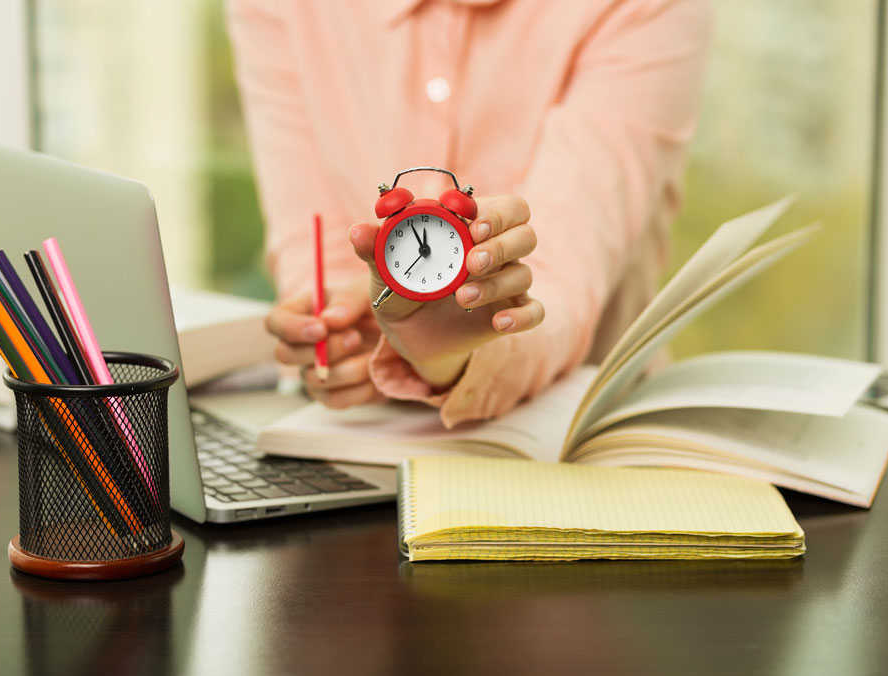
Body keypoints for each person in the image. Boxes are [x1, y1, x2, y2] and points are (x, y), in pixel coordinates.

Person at [228, 0, 711, 427]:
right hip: (360, 435)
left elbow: (562, 283)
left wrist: (443, 346)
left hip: (578, 441)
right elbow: (315, 260)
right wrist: (342, 340)